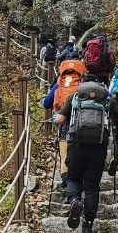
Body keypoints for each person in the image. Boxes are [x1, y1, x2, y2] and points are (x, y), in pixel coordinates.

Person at [55, 72, 118, 233]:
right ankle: (88, 224)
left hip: (76, 146)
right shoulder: (106, 98)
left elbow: (59, 120)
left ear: (82, 83)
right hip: (98, 147)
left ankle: (74, 200)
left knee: (73, 178)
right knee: (92, 186)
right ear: (99, 85)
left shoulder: (75, 97)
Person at [46, 57, 86, 193]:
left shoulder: (59, 83)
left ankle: (65, 180)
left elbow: (46, 103)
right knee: (79, 152)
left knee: (64, 153)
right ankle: (78, 181)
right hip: (81, 123)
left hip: (63, 124)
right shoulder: (83, 83)